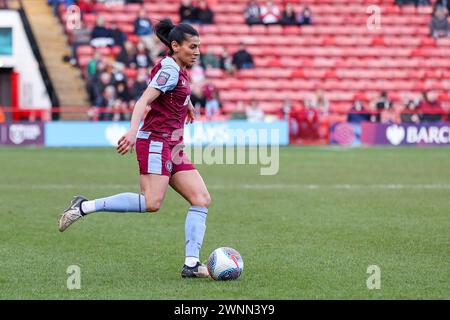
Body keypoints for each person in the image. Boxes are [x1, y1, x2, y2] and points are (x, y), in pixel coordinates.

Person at [59, 19, 211, 279]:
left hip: (172, 145)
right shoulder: (170, 69)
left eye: (198, 47)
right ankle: (83, 207)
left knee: (201, 199)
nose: (197, 52)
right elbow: (144, 100)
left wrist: (186, 104)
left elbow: (172, 93)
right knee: (152, 203)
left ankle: (192, 265)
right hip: (155, 142)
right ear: (175, 46)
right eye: (192, 47)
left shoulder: (180, 69)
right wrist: (131, 131)